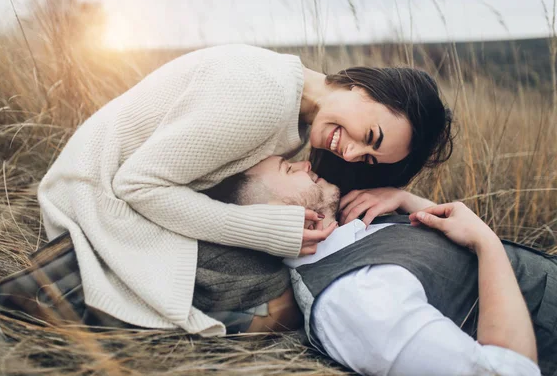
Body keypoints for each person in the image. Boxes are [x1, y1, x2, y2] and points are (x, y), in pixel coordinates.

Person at [0, 156, 555, 375]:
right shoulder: (357, 299)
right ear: (268, 211)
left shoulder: (365, 223)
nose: (310, 161)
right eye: (288, 167)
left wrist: (411, 205)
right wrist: (484, 241)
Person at [36, 43, 453, 335]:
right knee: (290, 294)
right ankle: (64, 288)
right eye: (372, 136)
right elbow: (138, 186)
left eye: (367, 159)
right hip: (93, 202)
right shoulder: (263, 97)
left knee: (300, 271)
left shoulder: (297, 106)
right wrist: (260, 229)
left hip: (122, 196)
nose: (351, 151)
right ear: (366, 88)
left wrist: (403, 199)